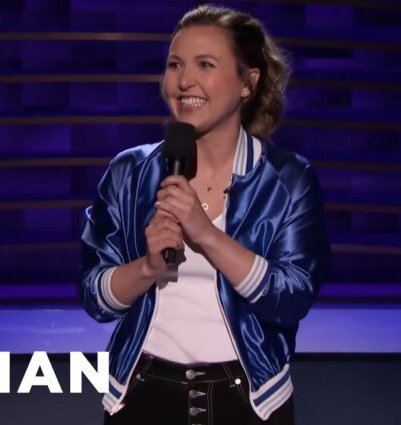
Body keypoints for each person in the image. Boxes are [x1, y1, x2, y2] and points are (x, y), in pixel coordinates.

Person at [80, 5, 330, 424]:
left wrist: (207, 234)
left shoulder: (287, 178)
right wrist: (147, 267)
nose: (184, 81)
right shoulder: (129, 172)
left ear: (248, 83)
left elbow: (291, 299)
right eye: (175, 64)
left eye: (205, 64)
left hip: (250, 400)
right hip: (142, 394)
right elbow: (95, 296)